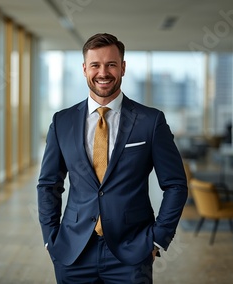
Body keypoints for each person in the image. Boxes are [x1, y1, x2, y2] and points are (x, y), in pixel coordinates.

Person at [37, 33, 188, 283]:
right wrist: (49, 238)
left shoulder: (150, 121)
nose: (103, 72)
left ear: (123, 68)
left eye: (111, 64)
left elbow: (175, 185)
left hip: (132, 252)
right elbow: (48, 185)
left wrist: (158, 238)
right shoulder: (61, 122)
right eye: (95, 65)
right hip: (73, 252)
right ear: (85, 69)